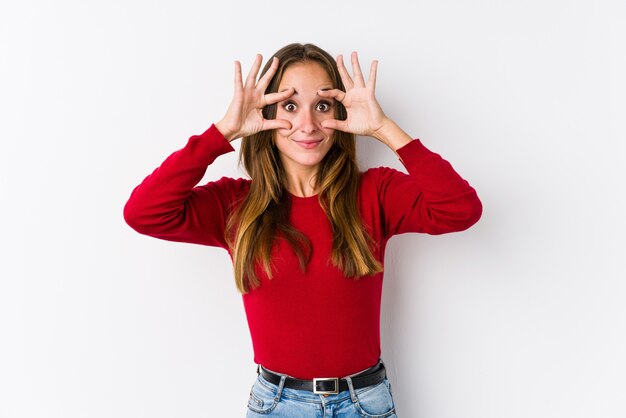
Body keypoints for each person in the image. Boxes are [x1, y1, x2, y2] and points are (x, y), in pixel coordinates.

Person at [124, 43, 482, 417]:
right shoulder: (235, 204)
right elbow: (144, 212)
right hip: (277, 405)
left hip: (365, 403)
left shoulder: (375, 192)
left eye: (322, 106)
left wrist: (384, 128)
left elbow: (460, 209)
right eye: (290, 107)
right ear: (265, 114)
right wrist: (223, 131)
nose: (308, 125)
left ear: (340, 113)